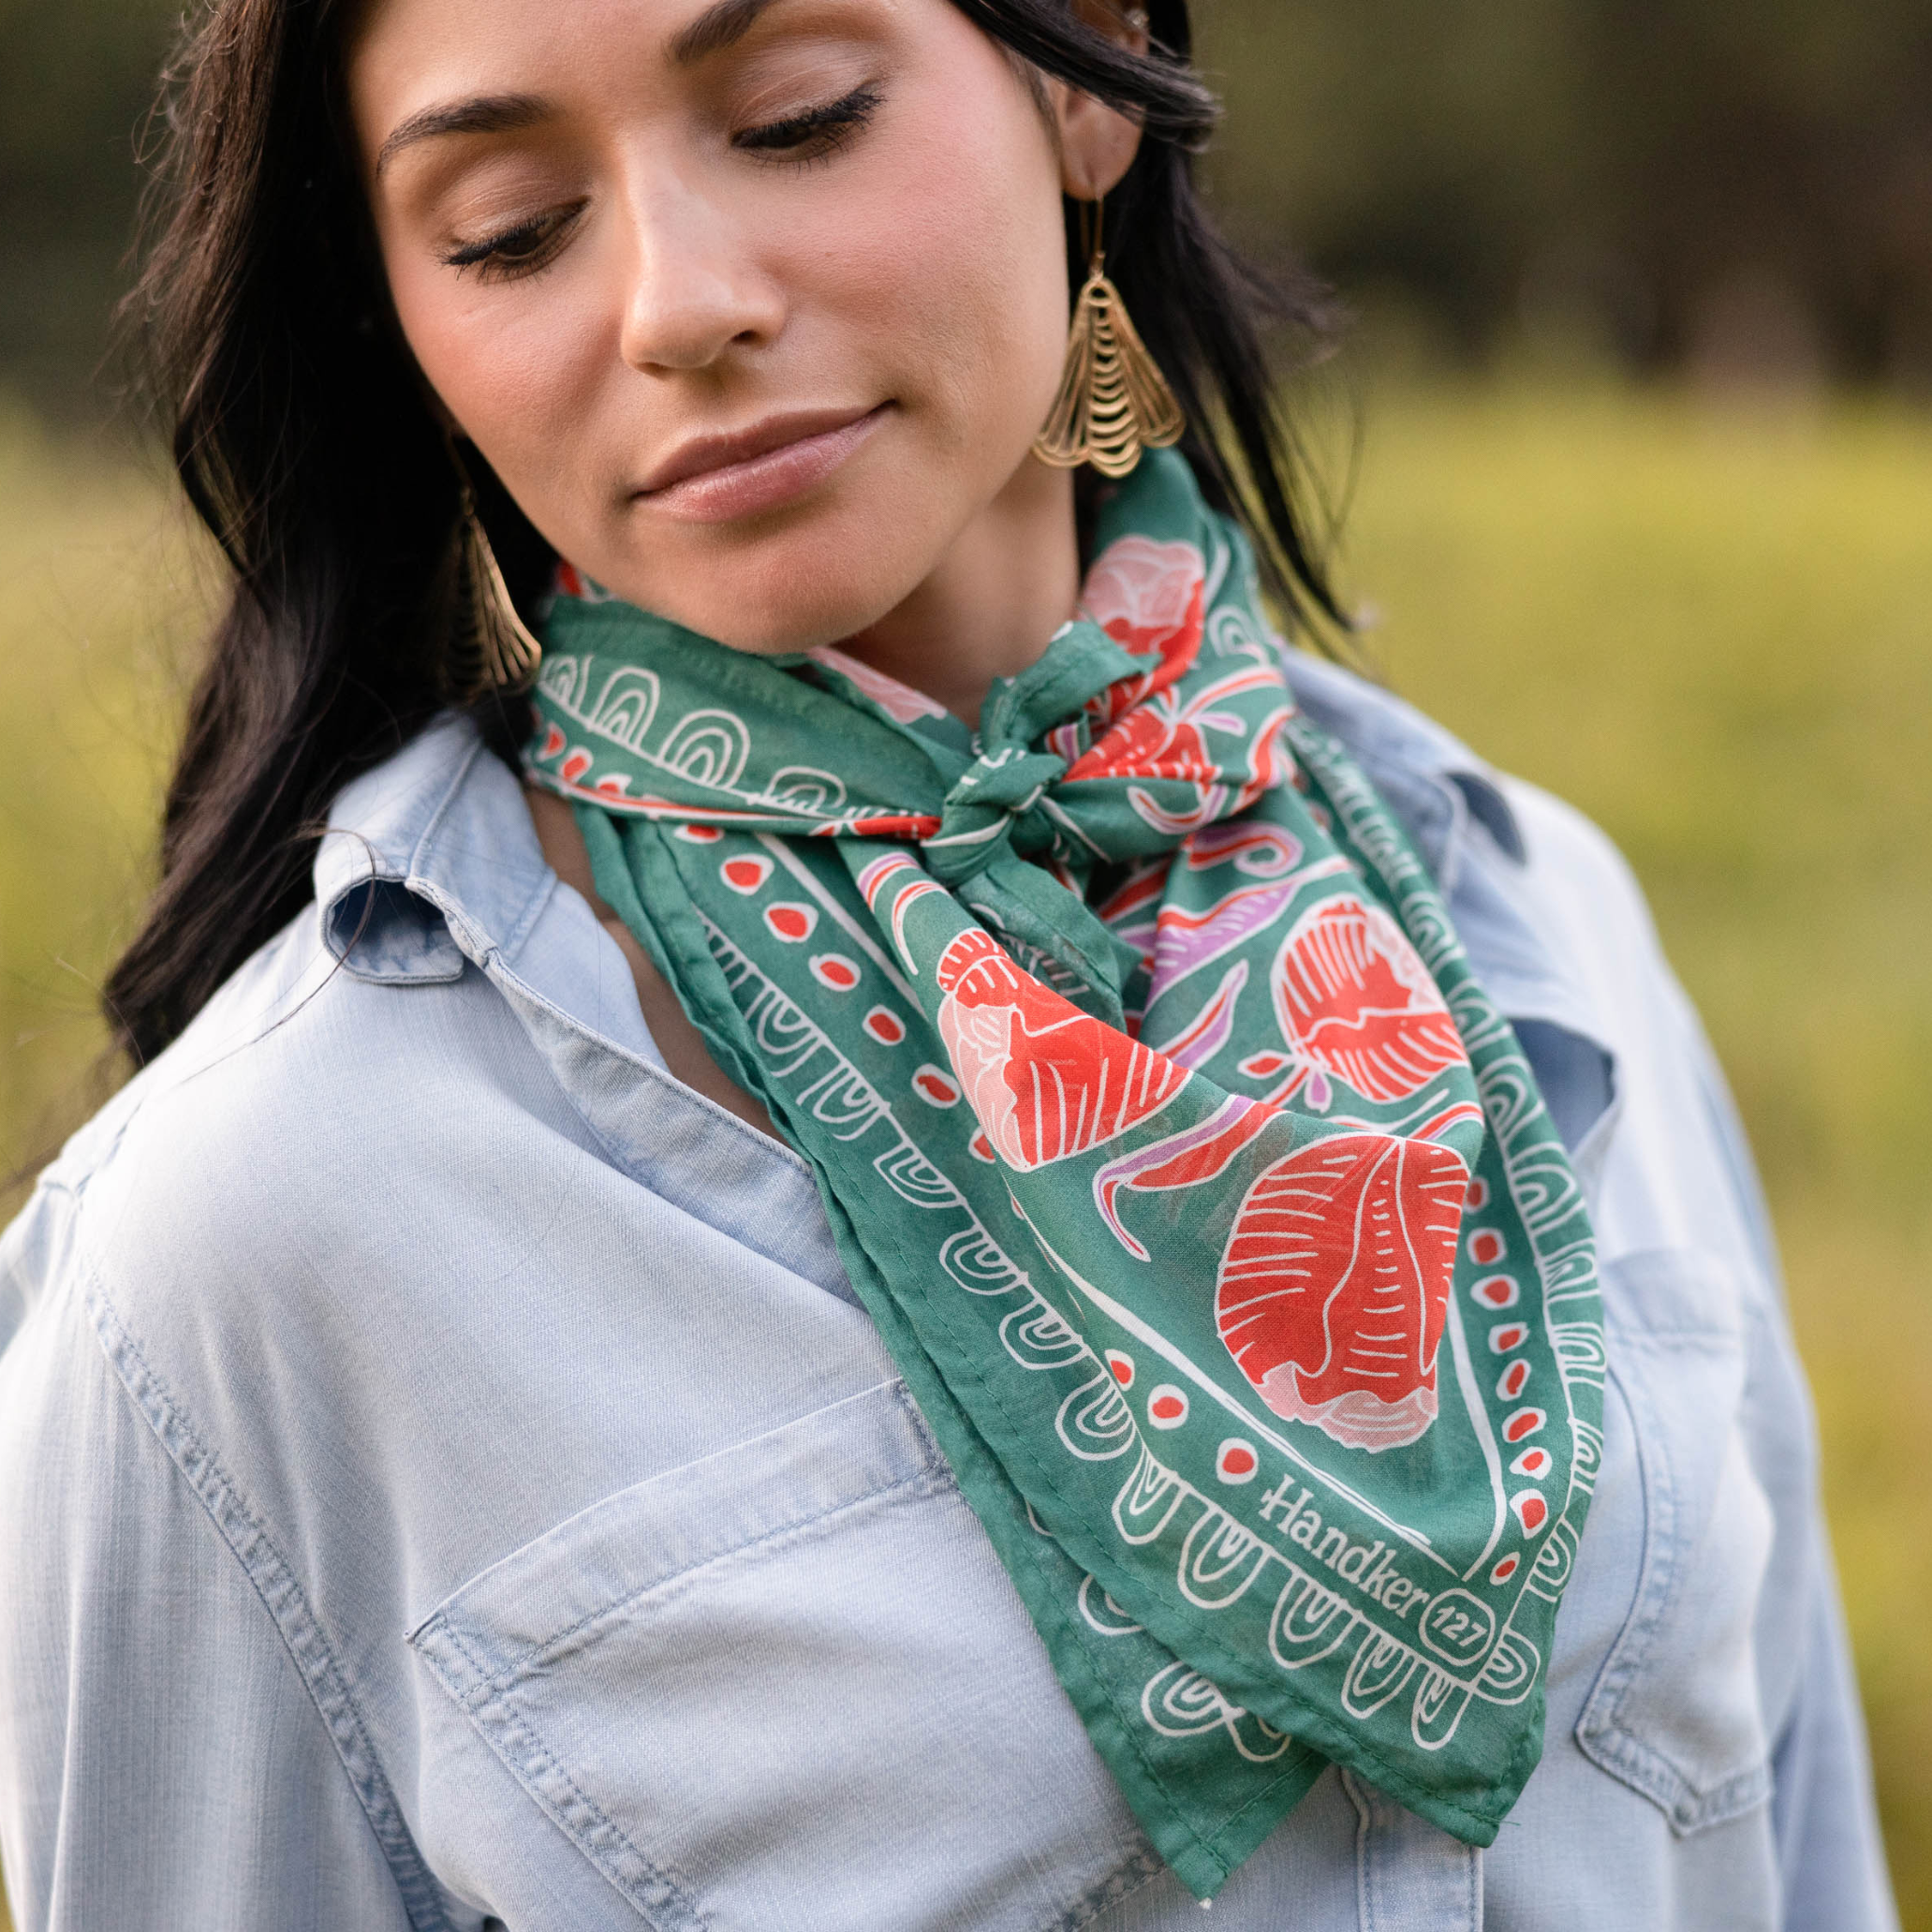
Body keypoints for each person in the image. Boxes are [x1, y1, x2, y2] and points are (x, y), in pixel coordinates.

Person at [0, 0, 1899, 1925]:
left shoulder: (1528, 927)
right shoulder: (258, 1246)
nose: (678, 303)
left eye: (799, 118)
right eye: (507, 227)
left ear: (1077, 80)